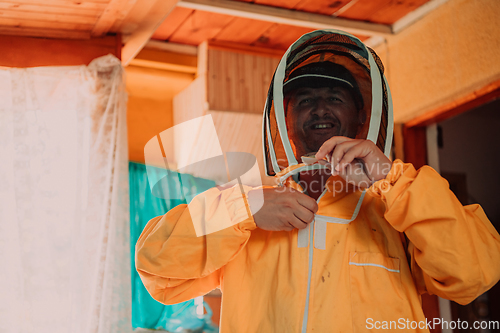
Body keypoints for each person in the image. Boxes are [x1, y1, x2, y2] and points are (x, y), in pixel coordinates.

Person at [136, 30, 500, 332]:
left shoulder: (399, 202)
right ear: (285, 120)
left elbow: (474, 273)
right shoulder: (248, 209)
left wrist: (390, 179)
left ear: (360, 116)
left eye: (335, 97)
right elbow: (155, 265)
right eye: (305, 99)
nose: (320, 108)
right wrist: (243, 209)